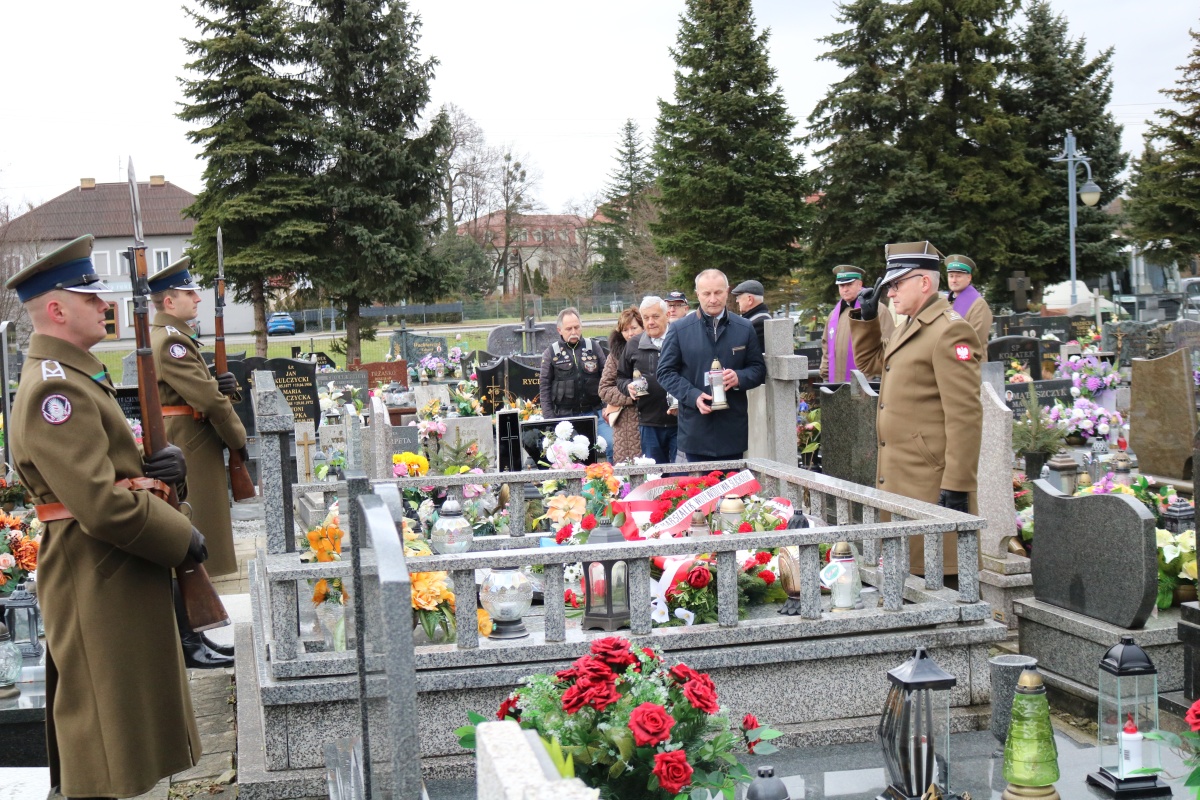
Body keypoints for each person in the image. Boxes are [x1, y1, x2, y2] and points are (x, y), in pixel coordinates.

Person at [6, 235, 207, 799]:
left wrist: (162, 472)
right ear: (56, 309)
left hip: (111, 566)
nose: (105, 304)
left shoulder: (75, 376)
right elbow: (98, 503)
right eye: (90, 297)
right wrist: (181, 536)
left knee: (123, 729)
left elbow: (112, 474)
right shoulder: (55, 392)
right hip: (94, 569)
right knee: (101, 733)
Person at [848, 241, 983, 575]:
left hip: (929, 483)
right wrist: (868, 320)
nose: (890, 293)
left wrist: (958, 484)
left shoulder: (950, 330)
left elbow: (965, 414)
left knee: (939, 579)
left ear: (924, 282)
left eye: (897, 284)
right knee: (906, 578)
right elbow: (872, 364)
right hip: (900, 478)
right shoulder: (909, 325)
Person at [150, 256, 246, 668]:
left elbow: (209, 389)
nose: (198, 297)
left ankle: (195, 635)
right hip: (187, 444)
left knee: (192, 541)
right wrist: (238, 438)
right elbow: (207, 399)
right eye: (189, 292)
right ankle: (189, 640)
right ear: (169, 301)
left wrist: (226, 386)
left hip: (191, 439)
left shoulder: (174, 337)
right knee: (186, 541)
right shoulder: (170, 341)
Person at [657, 269, 766, 462]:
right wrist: (693, 396)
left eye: (718, 292)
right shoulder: (680, 329)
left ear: (727, 291)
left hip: (732, 429)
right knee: (700, 482)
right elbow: (665, 372)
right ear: (697, 294)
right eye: (707, 293)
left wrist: (739, 377)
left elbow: (758, 369)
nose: (713, 299)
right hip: (695, 430)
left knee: (732, 483)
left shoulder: (744, 328)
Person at [538, 306, 612, 457]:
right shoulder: (551, 353)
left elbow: (608, 378)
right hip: (565, 417)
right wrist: (550, 420)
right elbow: (544, 387)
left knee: (612, 444)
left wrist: (608, 407)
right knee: (567, 455)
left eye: (577, 327)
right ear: (559, 330)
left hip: (595, 413)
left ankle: (613, 473)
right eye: (569, 329)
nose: (574, 332)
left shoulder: (594, 348)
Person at [617, 296, 678, 464]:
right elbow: (621, 377)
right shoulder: (633, 344)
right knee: (654, 473)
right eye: (646, 318)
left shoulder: (679, 339)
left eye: (655, 316)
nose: (650, 322)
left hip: (680, 421)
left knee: (681, 473)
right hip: (649, 422)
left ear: (667, 315)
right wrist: (627, 387)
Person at [819, 265, 895, 382]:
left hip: (867, 381)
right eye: (841, 285)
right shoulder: (834, 315)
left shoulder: (877, 310)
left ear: (859, 284)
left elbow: (888, 341)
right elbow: (826, 346)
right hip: (837, 382)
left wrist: (877, 377)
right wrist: (825, 374)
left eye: (849, 284)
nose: (845, 289)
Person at [598, 308, 643, 462]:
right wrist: (629, 395)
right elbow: (604, 389)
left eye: (634, 328)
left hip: (652, 418)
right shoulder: (615, 356)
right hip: (626, 424)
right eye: (625, 330)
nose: (630, 334)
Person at [944, 254, 994, 357]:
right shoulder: (944, 302)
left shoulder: (978, 304)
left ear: (969, 277)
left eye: (958, 276)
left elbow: (975, 340)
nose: (954, 280)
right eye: (951, 276)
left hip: (970, 362)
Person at [732, 279, 772, 351]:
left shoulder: (760, 322)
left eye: (739, 297)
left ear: (750, 299)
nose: (737, 301)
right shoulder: (755, 318)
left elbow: (738, 347)